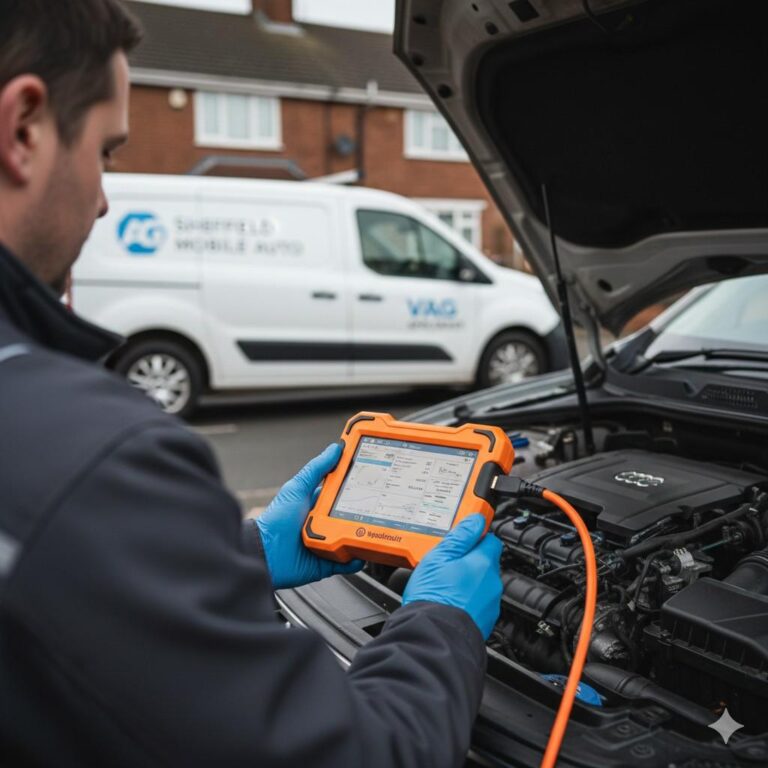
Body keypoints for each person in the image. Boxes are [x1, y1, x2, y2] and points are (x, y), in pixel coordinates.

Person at [0, 2, 504, 766]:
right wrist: (442, 621)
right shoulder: (91, 457)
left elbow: (57, 600)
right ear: (24, 127)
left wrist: (244, 552)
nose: (104, 199)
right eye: (106, 152)